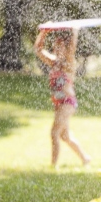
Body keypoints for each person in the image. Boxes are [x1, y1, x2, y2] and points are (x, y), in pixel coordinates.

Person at [34, 27, 91, 168]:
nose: (57, 50)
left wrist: (74, 31)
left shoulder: (68, 63)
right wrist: (44, 32)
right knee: (65, 136)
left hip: (67, 103)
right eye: (55, 47)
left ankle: (53, 166)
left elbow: (72, 47)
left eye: (60, 47)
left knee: (54, 133)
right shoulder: (53, 62)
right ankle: (85, 158)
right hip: (58, 104)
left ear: (66, 49)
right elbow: (38, 49)